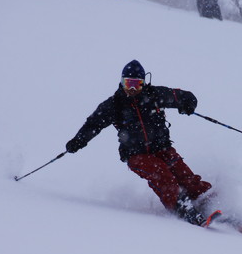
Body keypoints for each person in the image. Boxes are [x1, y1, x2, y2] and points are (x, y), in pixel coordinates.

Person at [65, 60, 213, 226]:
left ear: (144, 82)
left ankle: (210, 203)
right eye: (129, 83)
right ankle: (182, 209)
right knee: (164, 176)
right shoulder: (114, 104)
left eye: (137, 84)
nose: (133, 88)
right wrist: (78, 141)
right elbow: (93, 124)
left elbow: (184, 96)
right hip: (136, 154)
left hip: (162, 148)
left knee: (186, 177)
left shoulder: (155, 95)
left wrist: (188, 104)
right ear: (122, 82)